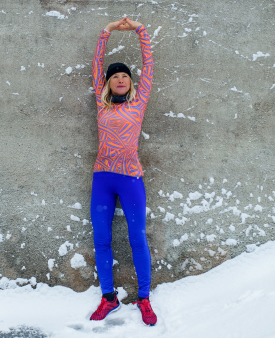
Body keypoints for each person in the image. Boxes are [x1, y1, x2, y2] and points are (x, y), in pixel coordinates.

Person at [88, 17, 156, 326]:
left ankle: (144, 298)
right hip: (103, 178)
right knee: (102, 239)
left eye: (124, 76)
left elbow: (149, 63)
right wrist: (108, 31)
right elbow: (97, 63)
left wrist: (140, 30)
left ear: (130, 82)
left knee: (137, 238)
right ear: (107, 82)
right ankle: (109, 297)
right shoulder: (103, 106)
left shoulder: (138, 103)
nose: (119, 79)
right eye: (114, 76)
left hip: (130, 179)